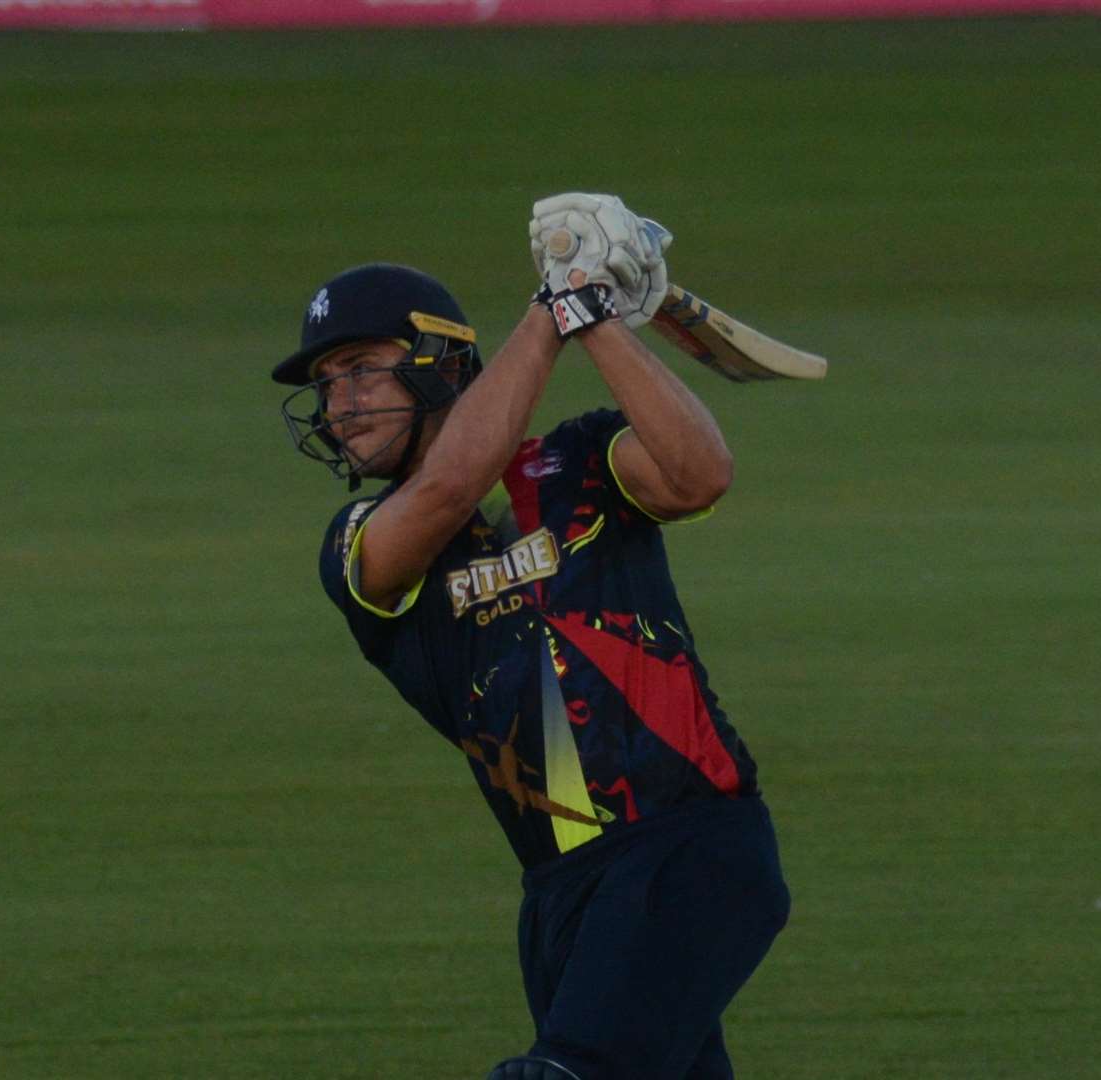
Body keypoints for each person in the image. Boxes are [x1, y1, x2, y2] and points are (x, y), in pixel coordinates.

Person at [270, 194, 790, 1080]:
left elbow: (702, 473)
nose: (339, 403)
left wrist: (593, 319)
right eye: (327, 383)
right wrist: (552, 311)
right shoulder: (359, 544)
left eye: (359, 369)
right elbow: (443, 492)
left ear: (440, 364)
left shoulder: (581, 462)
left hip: (686, 850)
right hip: (560, 898)